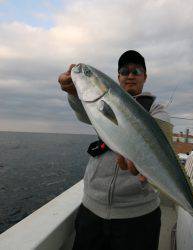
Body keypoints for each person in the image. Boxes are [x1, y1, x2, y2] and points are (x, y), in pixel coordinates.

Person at [58, 50, 172, 250]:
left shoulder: (156, 109)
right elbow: (84, 113)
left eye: (136, 71)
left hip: (139, 216)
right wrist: (73, 93)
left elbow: (162, 145)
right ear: (118, 77)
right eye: (124, 70)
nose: (130, 75)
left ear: (145, 77)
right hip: (92, 208)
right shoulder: (101, 104)